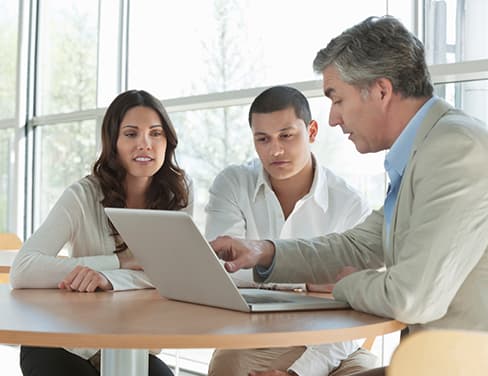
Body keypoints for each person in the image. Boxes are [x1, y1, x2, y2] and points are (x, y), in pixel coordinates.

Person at [210, 16, 488, 376]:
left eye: (337, 99)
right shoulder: (424, 151)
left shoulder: (454, 149)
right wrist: (265, 252)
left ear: (381, 91)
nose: (332, 119)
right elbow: (356, 246)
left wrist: (345, 285)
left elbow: (409, 297)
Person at [10, 89, 193, 376]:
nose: (145, 144)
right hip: (62, 339)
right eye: (131, 134)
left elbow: (176, 274)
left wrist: (109, 280)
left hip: (131, 344)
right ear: (114, 143)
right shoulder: (83, 195)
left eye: (155, 133)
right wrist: (117, 263)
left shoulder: (178, 197)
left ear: (167, 141)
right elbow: (23, 269)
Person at [205, 85, 376, 376]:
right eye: (263, 139)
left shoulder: (348, 204)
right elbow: (222, 272)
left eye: (286, 135)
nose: (276, 150)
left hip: (330, 341)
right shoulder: (233, 184)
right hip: (254, 341)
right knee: (228, 367)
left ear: (311, 132)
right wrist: (307, 282)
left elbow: (354, 309)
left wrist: (300, 372)